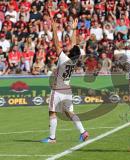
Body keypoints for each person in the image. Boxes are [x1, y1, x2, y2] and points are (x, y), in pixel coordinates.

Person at [41, 11, 88, 143]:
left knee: (52, 112)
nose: (68, 45)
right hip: (67, 90)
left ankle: (52, 138)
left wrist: (54, 25)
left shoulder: (63, 58)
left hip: (57, 90)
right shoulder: (73, 60)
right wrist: (73, 29)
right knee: (70, 113)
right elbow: (74, 45)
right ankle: (83, 132)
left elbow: (56, 41)